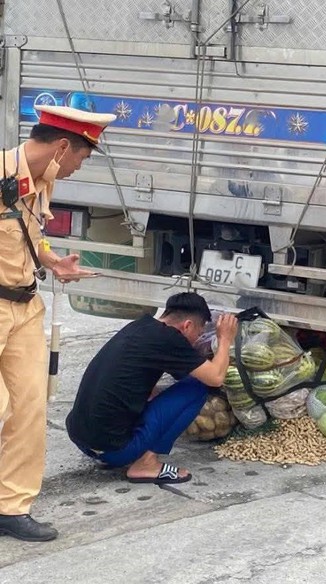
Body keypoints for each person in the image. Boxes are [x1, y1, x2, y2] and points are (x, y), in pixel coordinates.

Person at [0, 105, 116, 542]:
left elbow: (28, 231)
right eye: (81, 158)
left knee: (29, 408)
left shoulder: (40, 180)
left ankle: (11, 507)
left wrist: (50, 260)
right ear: (62, 147)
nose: (77, 168)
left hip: (25, 306)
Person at [66, 293, 238, 486]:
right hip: (113, 452)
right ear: (187, 325)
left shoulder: (141, 327)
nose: (196, 341)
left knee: (155, 390)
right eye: (198, 334)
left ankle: (127, 447)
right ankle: (146, 464)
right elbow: (215, 378)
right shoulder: (170, 339)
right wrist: (225, 339)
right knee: (197, 387)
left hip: (80, 438)